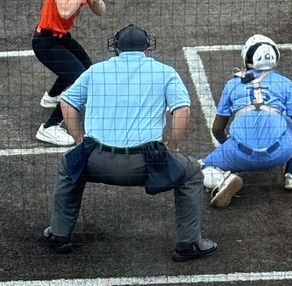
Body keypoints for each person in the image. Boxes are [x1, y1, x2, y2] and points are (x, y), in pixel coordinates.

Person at [44, 24, 217, 263]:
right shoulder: (165, 72)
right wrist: (173, 146)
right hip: (147, 165)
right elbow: (182, 111)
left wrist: (79, 140)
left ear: (116, 48)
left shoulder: (96, 71)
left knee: (69, 166)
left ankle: (59, 235)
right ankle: (189, 244)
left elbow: (67, 102)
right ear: (147, 48)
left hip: (95, 160)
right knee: (192, 173)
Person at [200, 34, 292, 208]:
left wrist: (229, 148)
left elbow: (217, 129)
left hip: (239, 154)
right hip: (279, 153)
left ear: (247, 57)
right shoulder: (284, 82)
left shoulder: (232, 84)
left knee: (199, 169)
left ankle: (223, 178)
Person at [32, 0, 106, 147]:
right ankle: (49, 128)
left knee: (86, 69)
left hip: (61, 38)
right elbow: (65, 11)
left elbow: (100, 12)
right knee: (78, 78)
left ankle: (52, 97)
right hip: (46, 42)